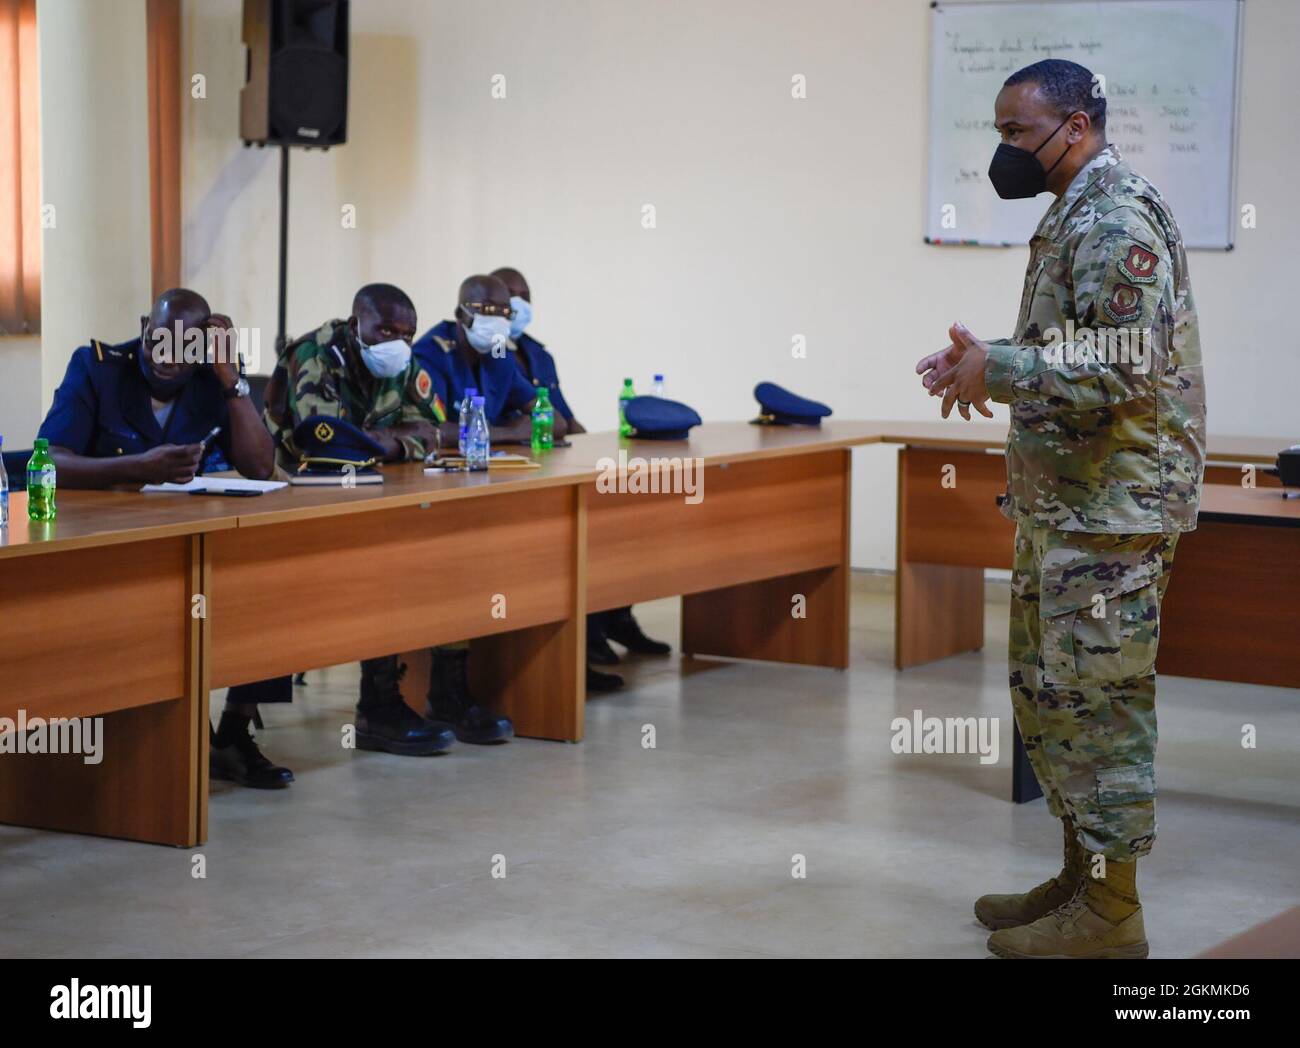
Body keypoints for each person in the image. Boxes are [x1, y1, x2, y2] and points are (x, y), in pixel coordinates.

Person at [916, 59, 1205, 959]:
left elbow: (1124, 368)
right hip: (1069, 507)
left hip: (1112, 512)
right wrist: (987, 359)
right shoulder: (1074, 209)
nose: (1003, 150)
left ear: (1074, 125)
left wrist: (998, 370)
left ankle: (1115, 915)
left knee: (1101, 703)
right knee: (1055, 699)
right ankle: (1081, 878)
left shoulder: (1116, 216)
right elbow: (1078, 348)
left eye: (1015, 131)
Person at [37, 287, 294, 789]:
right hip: (100, 549)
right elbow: (47, 460)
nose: (169, 356)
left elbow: (261, 466)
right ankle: (142, 743)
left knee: (266, 586)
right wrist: (139, 467)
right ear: (144, 327)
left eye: (185, 346)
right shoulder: (97, 368)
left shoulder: (211, 381)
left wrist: (231, 380)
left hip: (185, 541)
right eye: (160, 339)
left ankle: (233, 736)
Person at [266, 282, 513, 750]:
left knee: (448, 550)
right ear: (356, 322)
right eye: (384, 329)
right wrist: (393, 438)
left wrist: (388, 442)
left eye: (406, 332)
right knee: (385, 563)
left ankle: (448, 694)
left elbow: (437, 428)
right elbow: (327, 443)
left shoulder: (402, 359)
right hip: (295, 499)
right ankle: (377, 706)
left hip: (369, 493)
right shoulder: (315, 356)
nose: (396, 341)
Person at [489, 266, 671, 694]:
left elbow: (565, 418)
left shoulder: (537, 353)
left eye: (524, 295)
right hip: (511, 476)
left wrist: (600, 452)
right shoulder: (487, 355)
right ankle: (582, 635)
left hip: (555, 465)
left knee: (620, 513)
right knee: (570, 535)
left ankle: (616, 618)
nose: (518, 304)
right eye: (508, 296)